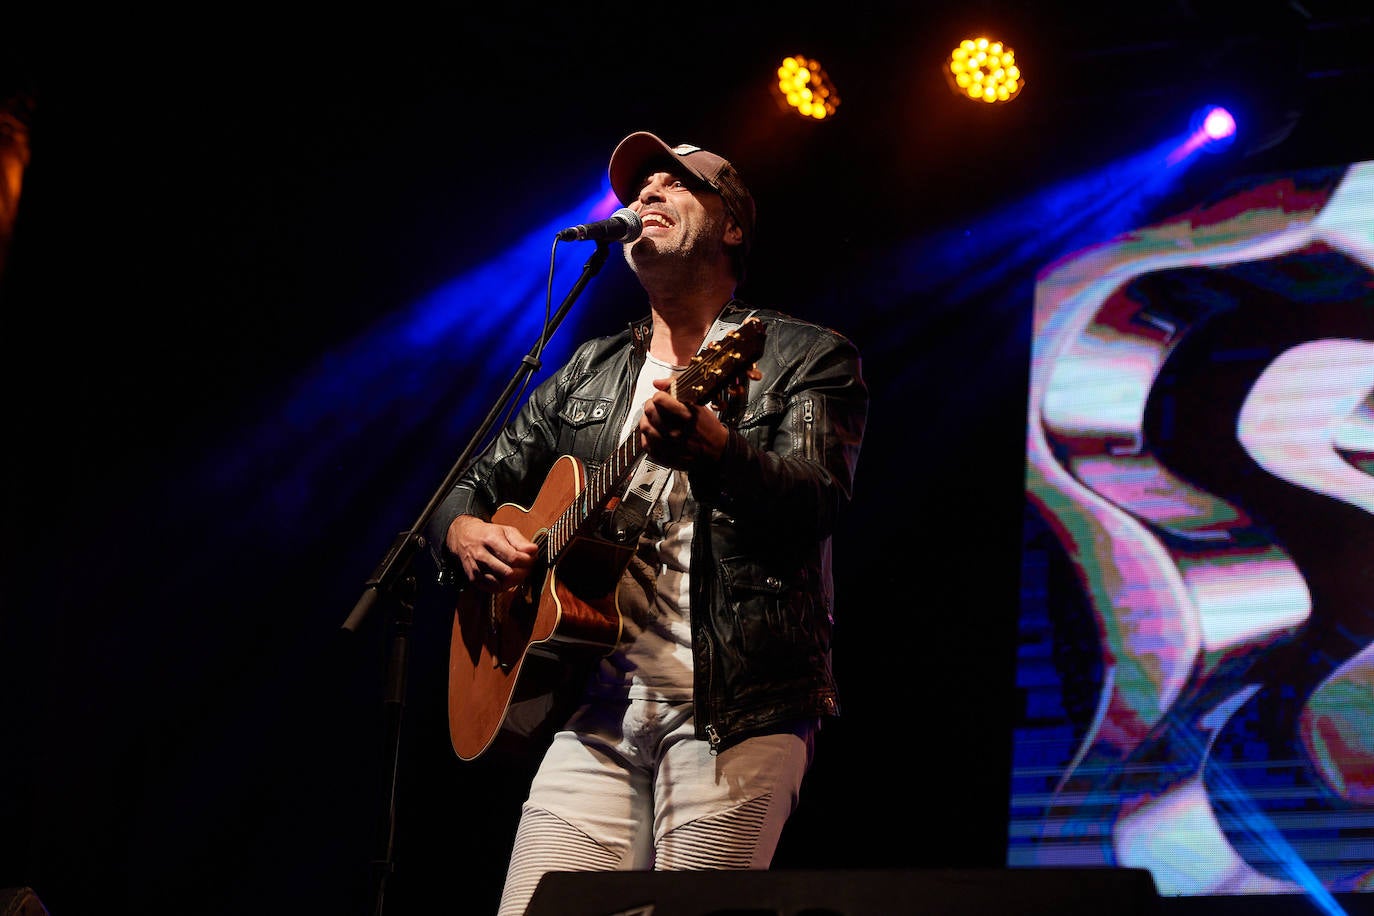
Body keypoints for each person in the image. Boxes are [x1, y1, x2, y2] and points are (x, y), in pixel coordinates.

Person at [426, 130, 868, 916]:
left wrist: (719, 453)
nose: (647, 196)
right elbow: (473, 485)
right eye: (640, 189)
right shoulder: (590, 368)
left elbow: (817, 499)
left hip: (737, 711)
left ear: (731, 226)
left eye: (676, 183)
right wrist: (460, 532)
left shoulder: (803, 354)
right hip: (595, 706)